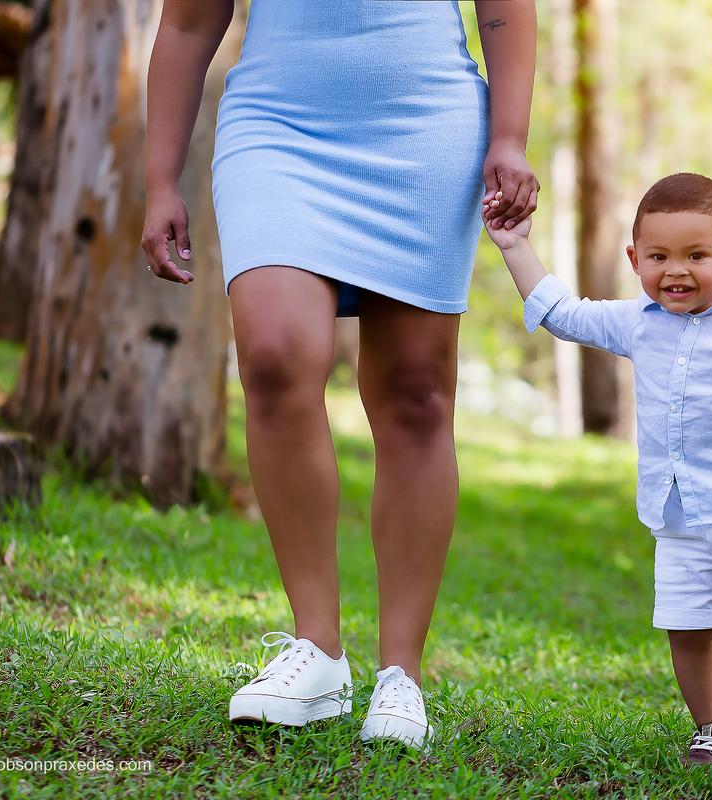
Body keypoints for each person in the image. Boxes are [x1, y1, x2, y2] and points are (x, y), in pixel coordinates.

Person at [141, 0, 538, 749]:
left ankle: (401, 675)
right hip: (277, 126)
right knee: (272, 355)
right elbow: (190, 22)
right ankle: (317, 649)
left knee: (416, 394)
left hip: (423, 121)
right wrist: (160, 178)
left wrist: (509, 136)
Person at [482, 172, 712, 766]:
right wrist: (515, 246)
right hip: (679, 512)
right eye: (658, 257)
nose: (676, 271)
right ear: (635, 259)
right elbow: (563, 314)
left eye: (696, 256)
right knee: (687, 628)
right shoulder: (640, 323)